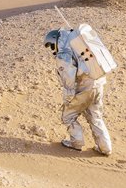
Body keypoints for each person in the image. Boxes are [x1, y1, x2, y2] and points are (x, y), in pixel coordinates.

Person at [44, 27, 113, 156]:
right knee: (95, 117)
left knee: (68, 117)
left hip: (84, 88)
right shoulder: (77, 46)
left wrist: (68, 100)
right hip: (98, 84)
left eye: (51, 46)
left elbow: (68, 81)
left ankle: (76, 143)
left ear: (55, 42)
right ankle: (105, 147)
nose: (51, 49)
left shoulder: (63, 54)